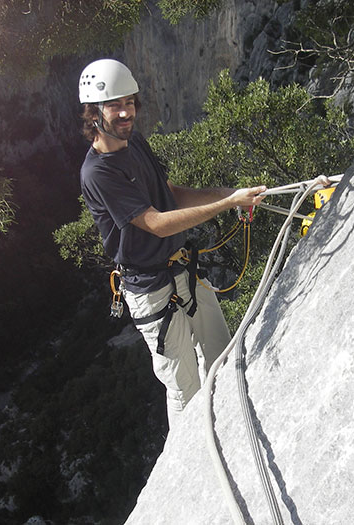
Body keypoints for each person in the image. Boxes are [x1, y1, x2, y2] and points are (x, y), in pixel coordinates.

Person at [78, 58, 266, 427]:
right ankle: (190, 469)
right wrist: (225, 204)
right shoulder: (98, 172)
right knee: (185, 388)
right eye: (115, 105)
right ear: (93, 113)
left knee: (221, 355)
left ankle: (231, 429)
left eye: (130, 102)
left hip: (183, 268)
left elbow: (171, 194)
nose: (125, 112)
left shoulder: (135, 144)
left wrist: (234, 194)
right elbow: (156, 223)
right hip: (150, 289)